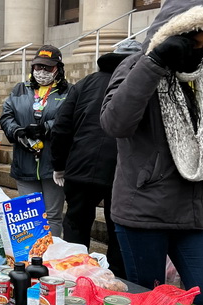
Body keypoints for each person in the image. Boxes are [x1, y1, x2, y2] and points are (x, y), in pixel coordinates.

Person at [100, 0, 203, 305]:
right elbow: (114, 123)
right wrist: (155, 63)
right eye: (192, 44)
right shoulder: (136, 65)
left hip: (192, 211)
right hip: (143, 212)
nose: (198, 52)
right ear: (172, 34)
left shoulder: (201, 78)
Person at [51, 40, 142, 279]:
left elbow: (61, 128)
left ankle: (73, 278)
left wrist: (59, 165)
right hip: (122, 170)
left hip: (81, 165)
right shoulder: (142, 82)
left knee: (76, 226)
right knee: (119, 230)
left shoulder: (86, 83)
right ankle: (119, 283)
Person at [0, 45, 72, 237]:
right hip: (25, 164)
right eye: (37, 66)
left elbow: (71, 119)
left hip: (53, 167)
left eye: (47, 67)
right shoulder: (20, 89)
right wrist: (18, 132)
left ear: (58, 68)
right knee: (28, 216)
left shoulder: (68, 92)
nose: (41, 71)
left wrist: (46, 128)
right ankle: (32, 255)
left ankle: (52, 257)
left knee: (53, 215)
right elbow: (6, 116)